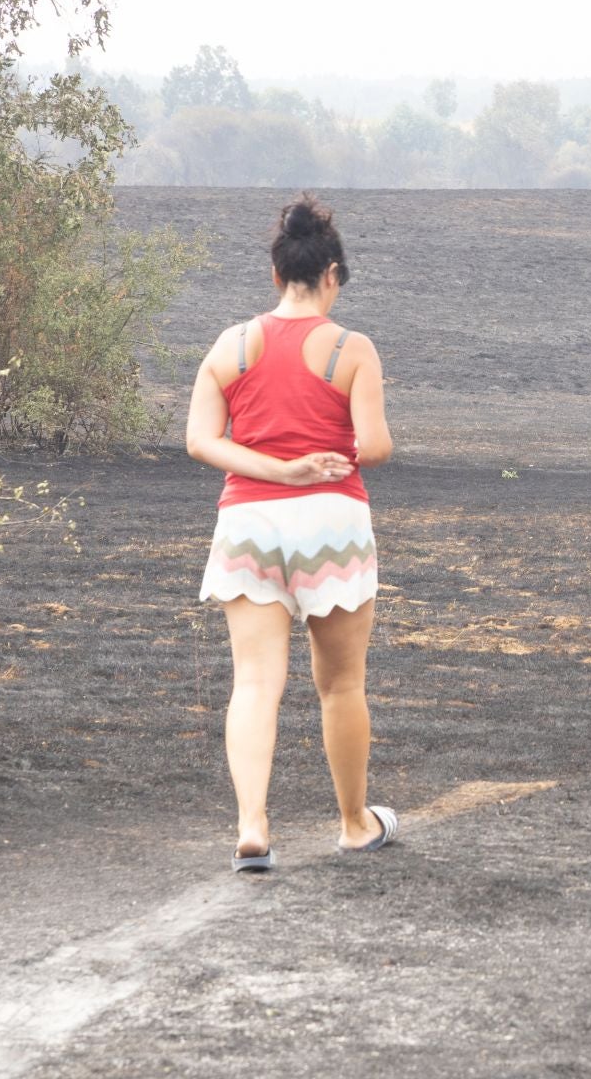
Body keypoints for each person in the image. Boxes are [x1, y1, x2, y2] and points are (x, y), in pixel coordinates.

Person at [186, 194, 396, 872]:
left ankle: (252, 825)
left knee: (253, 682)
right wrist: (318, 462)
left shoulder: (231, 345)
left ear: (278, 275)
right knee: (340, 685)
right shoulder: (351, 349)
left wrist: (277, 469)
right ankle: (354, 823)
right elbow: (377, 444)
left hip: (248, 521)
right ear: (331, 274)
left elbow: (200, 441)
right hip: (330, 519)